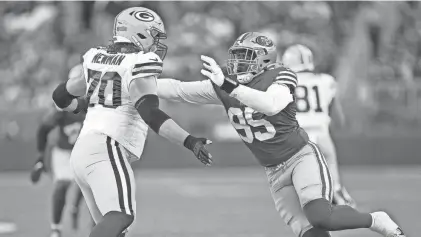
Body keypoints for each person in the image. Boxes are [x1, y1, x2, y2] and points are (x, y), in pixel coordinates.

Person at [157, 32, 406, 237]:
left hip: (301, 157)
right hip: (273, 170)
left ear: (264, 60)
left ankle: (376, 220)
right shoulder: (226, 82)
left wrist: (229, 86)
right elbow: (177, 90)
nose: (237, 64)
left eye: (245, 58)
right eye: (236, 57)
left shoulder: (280, 75)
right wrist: (134, 83)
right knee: (309, 232)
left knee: (321, 216)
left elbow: (270, 105)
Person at [51, 7, 212, 237]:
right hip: (107, 146)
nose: (156, 44)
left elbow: (60, 95)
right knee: (121, 216)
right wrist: (190, 141)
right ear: (140, 34)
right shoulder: (139, 61)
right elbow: (151, 115)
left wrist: (80, 106)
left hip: (82, 151)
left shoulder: (96, 57)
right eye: (154, 36)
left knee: (115, 230)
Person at [282, 44, 356, 207]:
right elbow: (337, 115)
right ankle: (342, 200)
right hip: (321, 134)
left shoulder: (283, 83)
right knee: (332, 174)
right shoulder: (326, 80)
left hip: (297, 136)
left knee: (302, 181)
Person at [30, 101, 87, 237]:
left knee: (90, 186)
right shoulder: (61, 110)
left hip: (84, 151)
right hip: (64, 152)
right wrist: (40, 156)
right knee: (61, 186)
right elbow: (43, 128)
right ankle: (56, 228)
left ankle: (78, 210)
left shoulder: (91, 104)